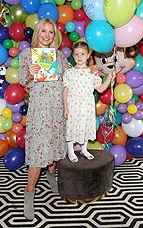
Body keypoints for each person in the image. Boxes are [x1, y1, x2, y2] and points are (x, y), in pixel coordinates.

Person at [18, 19, 98, 220]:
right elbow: (21, 79)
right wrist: (30, 74)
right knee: (38, 151)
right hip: (40, 109)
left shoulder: (59, 56)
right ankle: (29, 193)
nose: (46, 35)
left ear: (55, 35)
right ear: (37, 33)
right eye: (43, 31)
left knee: (56, 147)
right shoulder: (28, 54)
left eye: (51, 32)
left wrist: (92, 70)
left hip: (59, 108)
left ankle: (51, 176)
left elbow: (73, 74)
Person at [63, 41, 115, 163]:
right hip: (73, 104)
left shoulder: (92, 73)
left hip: (87, 105)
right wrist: (65, 108)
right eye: (76, 54)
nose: (79, 57)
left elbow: (100, 89)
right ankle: (70, 150)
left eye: (82, 54)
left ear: (88, 56)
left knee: (85, 125)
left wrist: (109, 78)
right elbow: (65, 91)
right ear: (73, 56)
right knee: (72, 126)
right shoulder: (69, 72)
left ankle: (84, 149)